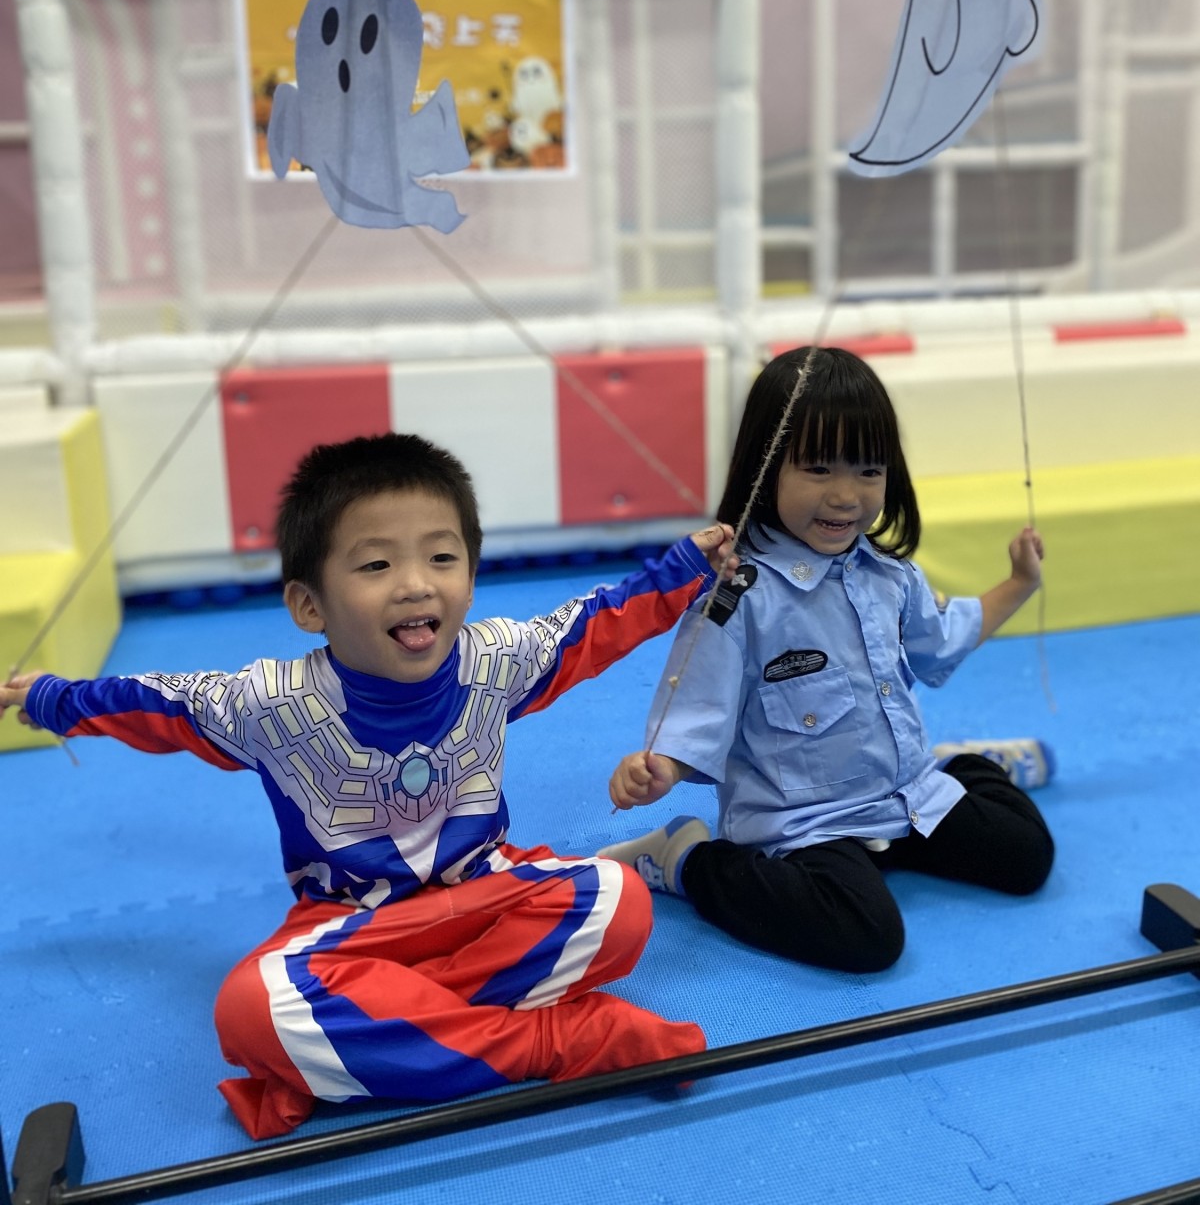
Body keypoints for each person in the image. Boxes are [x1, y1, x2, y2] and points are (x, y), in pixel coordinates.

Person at [0, 432, 737, 1140]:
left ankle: (396, 1033)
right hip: (349, 930)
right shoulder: (269, 704)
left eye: (442, 557)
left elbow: (597, 623)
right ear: (309, 607)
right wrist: (50, 698)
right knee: (251, 1010)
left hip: (483, 898)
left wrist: (682, 570)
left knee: (618, 900)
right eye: (376, 565)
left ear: (470, 579)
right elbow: (150, 703)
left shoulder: (498, 658)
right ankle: (556, 1039)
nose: (416, 584)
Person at [599, 346, 1055, 975]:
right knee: (868, 937)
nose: (846, 496)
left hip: (904, 794)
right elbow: (697, 709)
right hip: (804, 823)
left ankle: (965, 765)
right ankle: (687, 860)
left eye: (869, 470)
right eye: (818, 469)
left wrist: (1020, 583)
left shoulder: (891, 575)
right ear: (765, 467)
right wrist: (661, 769)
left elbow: (943, 641)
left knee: (1028, 857)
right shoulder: (737, 597)